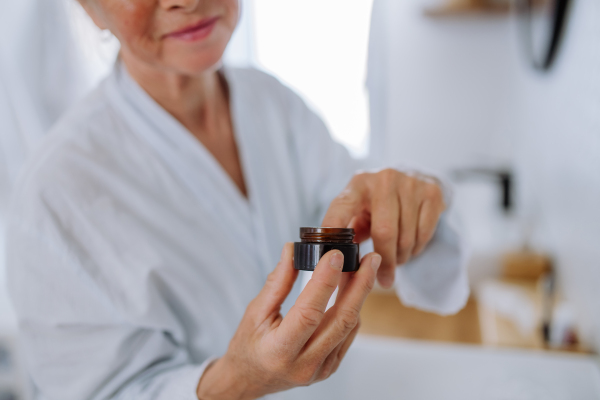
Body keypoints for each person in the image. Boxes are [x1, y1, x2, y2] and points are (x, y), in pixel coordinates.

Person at [6, 0, 468, 399]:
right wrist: (237, 381)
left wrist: (409, 204)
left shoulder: (274, 104)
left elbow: (363, 221)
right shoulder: (54, 196)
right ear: (89, 9)